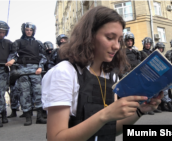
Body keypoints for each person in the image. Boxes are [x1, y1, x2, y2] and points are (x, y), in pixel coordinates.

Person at [42, 6, 162, 141]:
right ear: (89, 36)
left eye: (119, 40)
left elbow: (110, 130)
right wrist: (105, 114)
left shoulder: (111, 76)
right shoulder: (64, 73)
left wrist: (139, 111)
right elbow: (56, 138)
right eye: (110, 37)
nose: (117, 46)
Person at [12, 22, 47, 126]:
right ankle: (28, 117)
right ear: (24, 30)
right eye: (27, 30)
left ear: (33, 31)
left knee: (38, 92)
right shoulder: (17, 42)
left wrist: (40, 67)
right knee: (24, 93)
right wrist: (13, 64)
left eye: (30, 30)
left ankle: (39, 117)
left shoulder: (38, 43)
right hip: (22, 70)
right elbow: (13, 55)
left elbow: (43, 56)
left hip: (35, 70)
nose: (29, 32)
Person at [0, 21, 15, 127]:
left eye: (3, 32)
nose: (1, 34)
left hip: (2, 71)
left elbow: (15, 53)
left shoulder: (8, 43)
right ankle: (2, 112)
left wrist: (12, 60)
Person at [154, 42, 172, 112]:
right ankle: (156, 107)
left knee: (165, 91)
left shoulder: (163, 56)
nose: (160, 50)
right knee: (156, 92)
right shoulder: (154, 56)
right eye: (159, 48)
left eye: (161, 48)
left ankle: (166, 105)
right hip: (155, 76)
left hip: (162, 76)